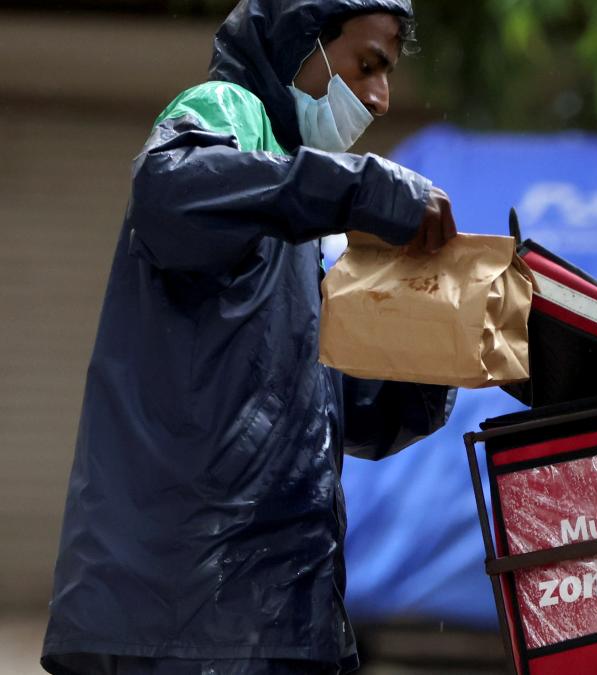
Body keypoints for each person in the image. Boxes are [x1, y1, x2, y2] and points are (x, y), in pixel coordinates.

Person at [41, 1, 457, 673]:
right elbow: (168, 191)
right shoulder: (228, 112)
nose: (381, 99)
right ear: (301, 45)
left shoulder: (298, 212)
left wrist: (443, 344)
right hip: (187, 617)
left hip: (280, 618)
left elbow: (350, 413)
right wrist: (356, 188)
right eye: (367, 65)